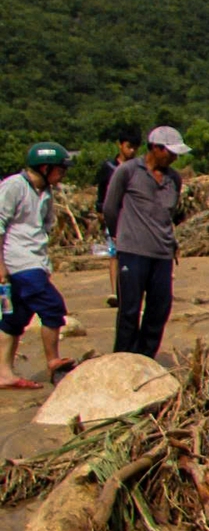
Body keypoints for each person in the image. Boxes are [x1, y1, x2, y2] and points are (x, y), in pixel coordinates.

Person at [102, 125, 188, 360]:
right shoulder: (128, 171)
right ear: (155, 148)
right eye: (170, 152)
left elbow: (169, 214)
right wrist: (119, 235)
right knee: (129, 309)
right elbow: (110, 208)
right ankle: (123, 358)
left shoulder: (174, 179)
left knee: (160, 308)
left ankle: (145, 356)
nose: (174, 158)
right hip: (133, 250)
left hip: (162, 252)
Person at [0, 143, 78, 389]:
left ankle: (4, 373)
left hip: (35, 262)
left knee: (14, 318)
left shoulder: (45, 192)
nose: (63, 174)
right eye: (60, 170)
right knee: (52, 307)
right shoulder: (14, 186)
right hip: (19, 262)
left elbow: (44, 227)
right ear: (45, 168)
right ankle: (53, 360)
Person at [94, 131, 140, 308]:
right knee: (115, 254)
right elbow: (101, 192)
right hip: (115, 215)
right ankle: (115, 291)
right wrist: (101, 212)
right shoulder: (109, 168)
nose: (132, 151)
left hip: (134, 215)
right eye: (129, 147)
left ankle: (132, 290)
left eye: (135, 148)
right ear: (120, 145)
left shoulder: (139, 167)